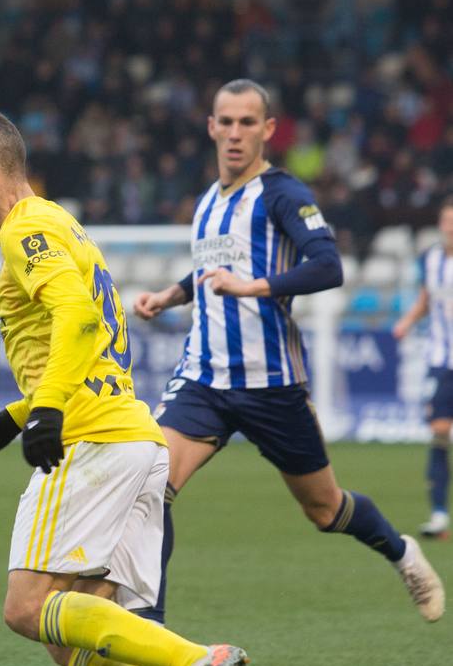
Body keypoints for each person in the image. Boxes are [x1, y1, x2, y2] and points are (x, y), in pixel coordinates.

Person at [0, 108, 252, 666]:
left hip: (93, 441)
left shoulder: (25, 227)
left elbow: (76, 314)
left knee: (24, 608)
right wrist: (12, 419)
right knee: (65, 629)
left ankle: (201, 658)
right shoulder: (61, 223)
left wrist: (45, 412)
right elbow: (86, 339)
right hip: (134, 438)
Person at [132, 80, 445, 624]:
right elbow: (212, 267)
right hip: (203, 378)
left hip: (271, 383)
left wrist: (254, 286)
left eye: (247, 123)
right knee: (148, 487)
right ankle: (146, 631)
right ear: (210, 127)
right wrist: (172, 295)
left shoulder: (283, 195)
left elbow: (329, 265)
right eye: (225, 122)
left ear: (268, 130)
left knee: (325, 510)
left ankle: (402, 553)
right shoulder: (208, 200)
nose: (234, 133)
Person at [393, 198, 453, 538]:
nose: (450, 227)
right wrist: (407, 321)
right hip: (442, 360)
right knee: (440, 431)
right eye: (447, 221)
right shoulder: (430, 260)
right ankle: (440, 514)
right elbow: (426, 300)